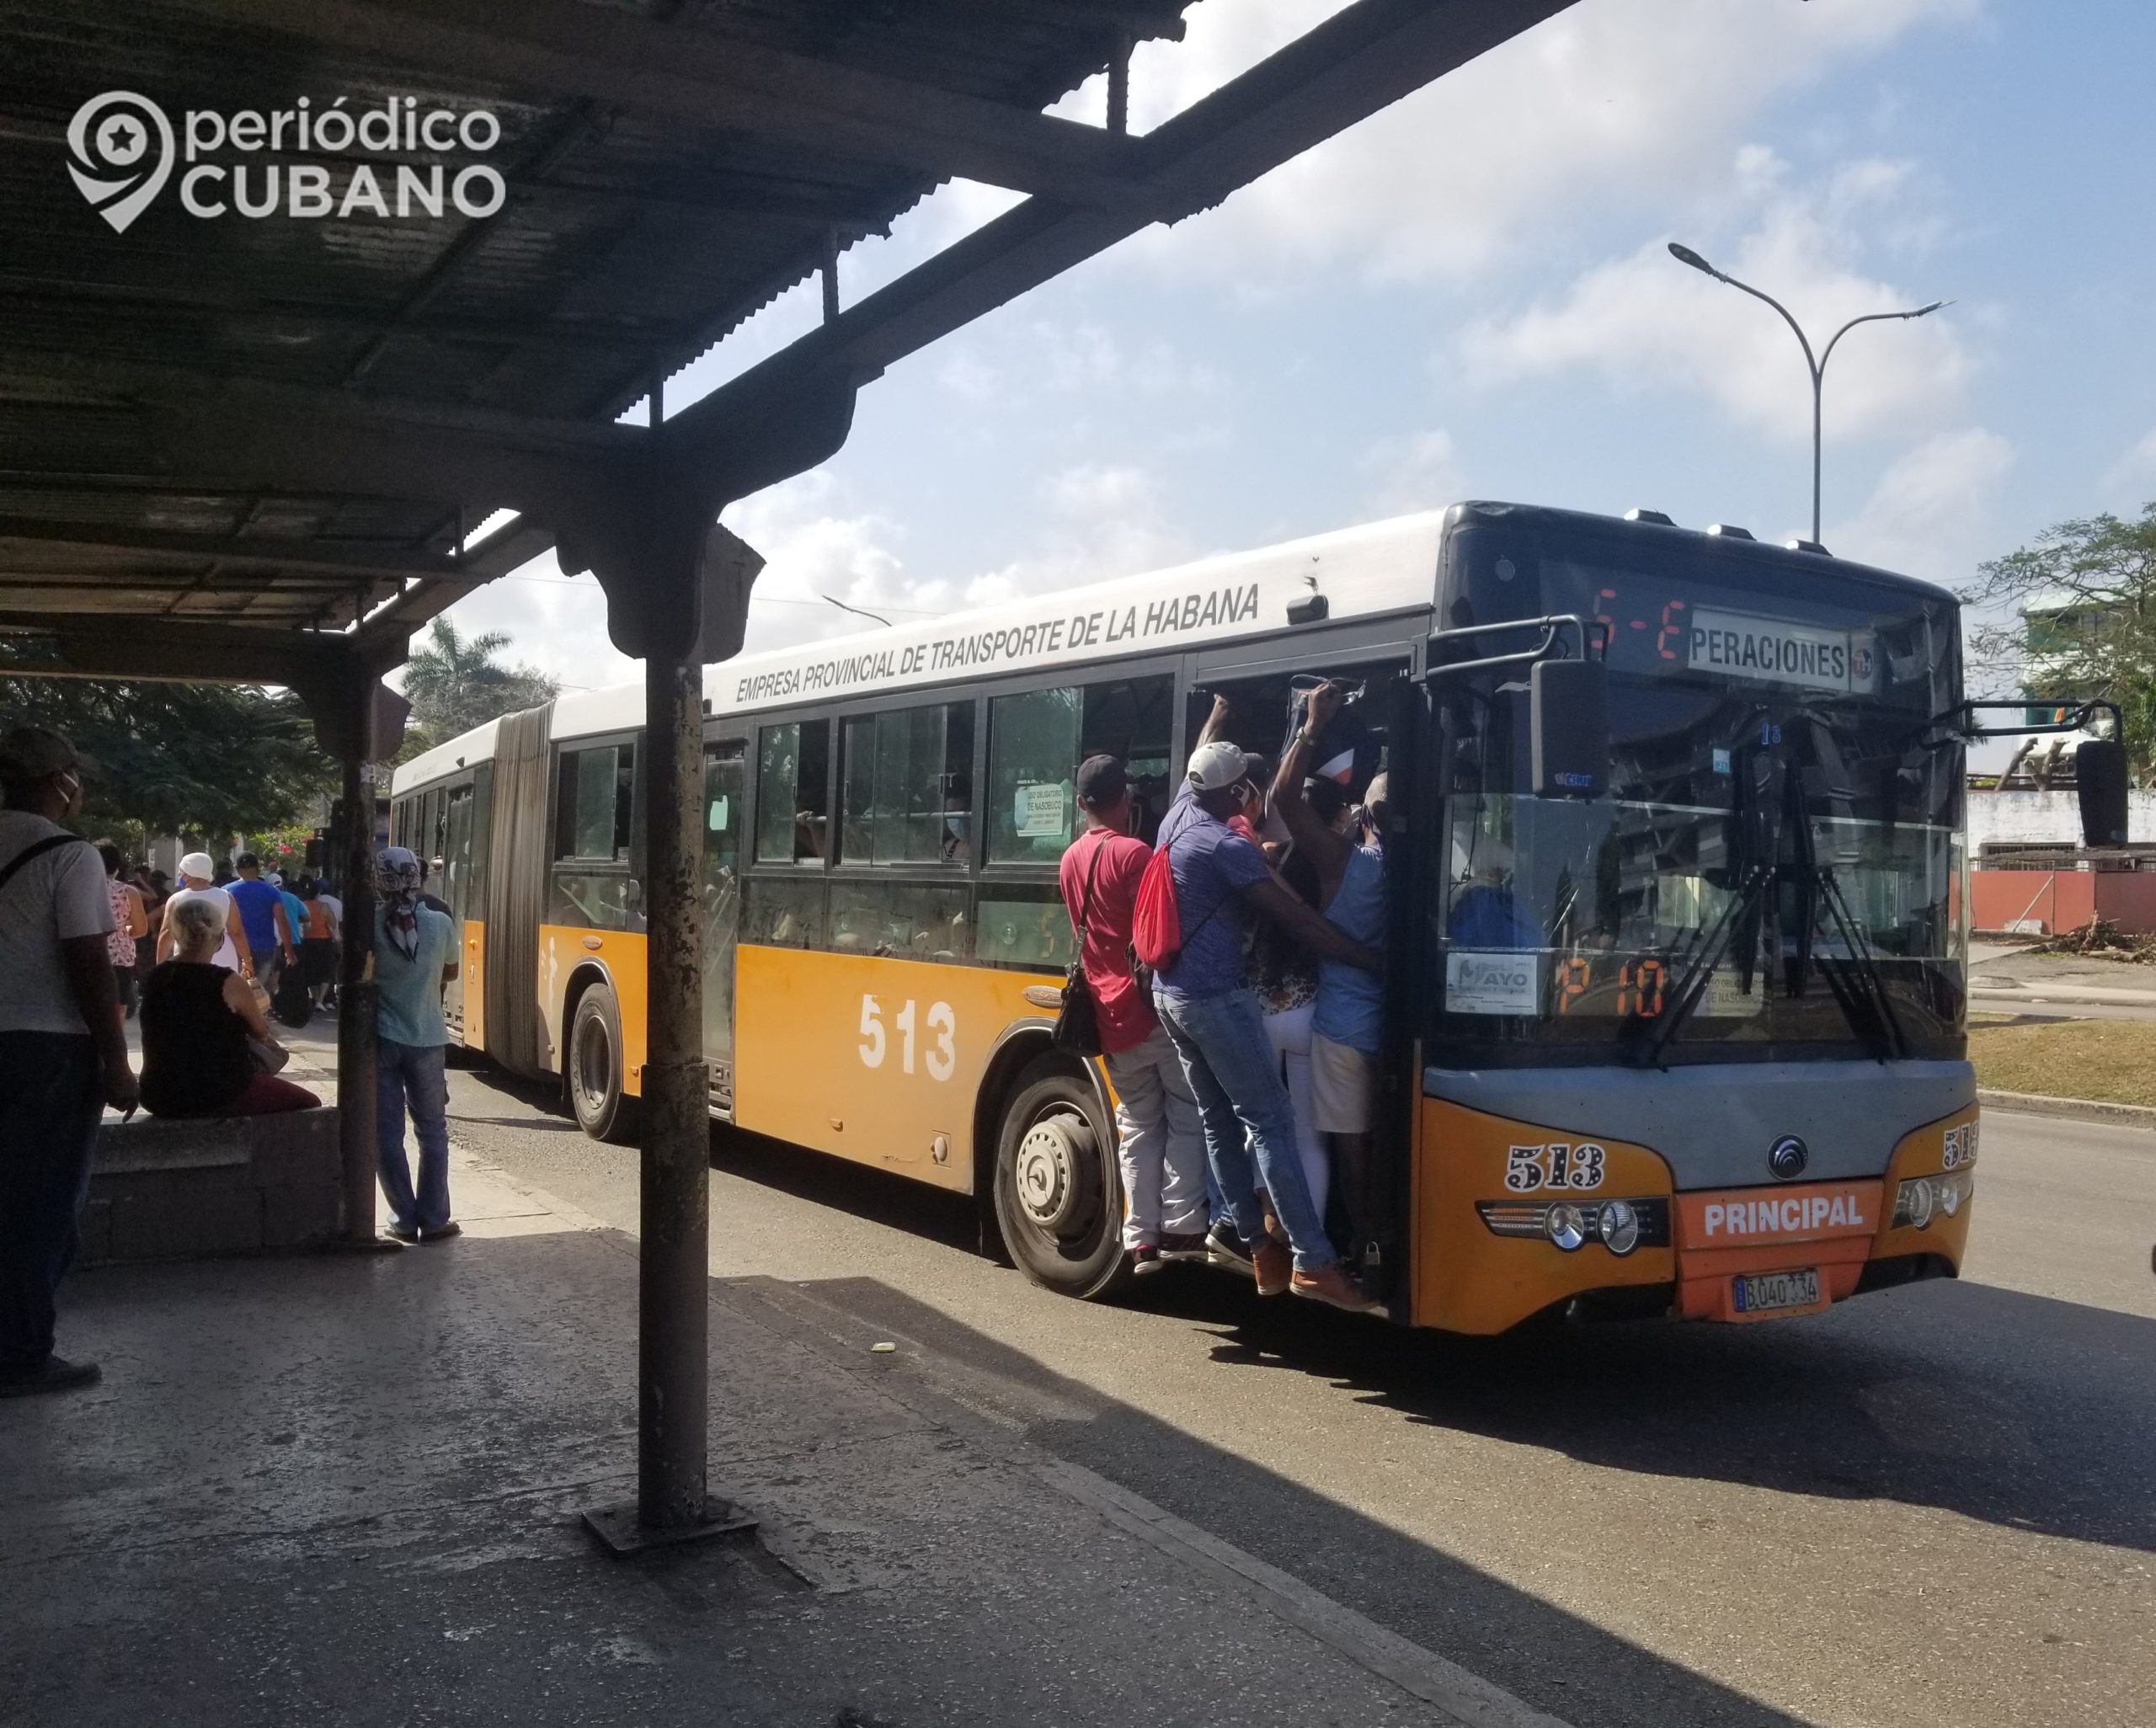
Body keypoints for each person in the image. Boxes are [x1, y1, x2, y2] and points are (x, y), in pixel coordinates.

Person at [1149, 733, 1385, 1313]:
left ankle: (1258, 1248)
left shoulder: (1177, 815)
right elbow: (1298, 922)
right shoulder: (1224, 847)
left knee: (1218, 1121)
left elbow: (1199, 760)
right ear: (1238, 791)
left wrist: (1229, 713)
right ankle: (1314, 1260)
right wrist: (1373, 959)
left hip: (1170, 997)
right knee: (1272, 1121)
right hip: (1215, 1001)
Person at [0, 726, 137, 1397]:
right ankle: (23, 1352)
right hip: (46, 1051)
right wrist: (117, 1062)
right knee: (41, 1205)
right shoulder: (69, 854)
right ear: (59, 781)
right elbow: (89, 964)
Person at [1057, 755, 1209, 1275]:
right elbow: (1160, 930)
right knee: (1187, 1114)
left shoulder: (1070, 859)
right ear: (1127, 800)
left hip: (1106, 1015)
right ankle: (1183, 1226)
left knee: (1138, 1125)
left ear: (1081, 805)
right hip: (1150, 1008)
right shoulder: (1137, 854)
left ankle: (1139, 1237)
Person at [1273, 682, 1390, 1273]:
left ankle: (1361, 1245)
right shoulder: (1429, 869)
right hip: (1396, 1031)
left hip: (1341, 1029)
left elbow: (1285, 797)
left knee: (1349, 1149)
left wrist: (1311, 726)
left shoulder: (1344, 863)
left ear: (1364, 813)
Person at [138, 894, 320, 1117]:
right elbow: (260, 1031)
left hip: (158, 1092)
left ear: (176, 935)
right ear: (220, 939)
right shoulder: (228, 982)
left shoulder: (156, 977)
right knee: (310, 1103)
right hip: (219, 1092)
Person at [373, 845, 461, 1243]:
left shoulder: (369, 926)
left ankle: (404, 1219)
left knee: (386, 1133)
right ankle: (435, 1218)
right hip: (427, 1037)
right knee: (433, 1131)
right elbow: (451, 971)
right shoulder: (440, 924)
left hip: (380, 1039)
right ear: (417, 878)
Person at [160, 851, 252, 979]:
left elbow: (166, 935)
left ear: (189, 873)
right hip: (222, 954)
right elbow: (236, 932)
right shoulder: (226, 897)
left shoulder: (176, 899)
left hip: (187, 955)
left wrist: (160, 967)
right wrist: (247, 961)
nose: (180, 875)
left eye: (182, 871)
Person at [96, 842, 149, 1019]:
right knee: (119, 1006)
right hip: (119, 955)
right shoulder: (128, 892)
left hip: (87, 949)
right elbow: (141, 928)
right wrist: (123, 931)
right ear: (117, 866)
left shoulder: (78, 888)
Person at [227, 854, 295, 993]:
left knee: (236, 990)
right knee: (258, 990)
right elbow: (282, 922)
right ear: (257, 869)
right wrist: (289, 951)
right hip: (265, 948)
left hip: (236, 947)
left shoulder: (226, 891)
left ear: (237, 870)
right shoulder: (271, 891)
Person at [297, 878, 341, 1010]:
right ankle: (320, 1000)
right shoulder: (323, 907)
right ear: (318, 892)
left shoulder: (302, 905)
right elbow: (333, 923)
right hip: (324, 941)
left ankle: (316, 999)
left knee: (311, 971)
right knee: (325, 972)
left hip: (307, 941)